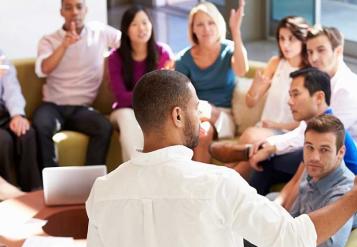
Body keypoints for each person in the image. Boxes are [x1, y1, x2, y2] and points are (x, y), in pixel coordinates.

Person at [86, 69, 357, 247]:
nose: (201, 115)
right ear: (178, 116)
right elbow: (295, 239)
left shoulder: (102, 191)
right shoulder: (219, 184)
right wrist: (353, 197)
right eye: (196, 108)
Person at [211, 15, 309, 179]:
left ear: (303, 40)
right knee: (248, 147)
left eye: (291, 39)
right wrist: (256, 86)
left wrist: (275, 124)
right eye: (281, 38)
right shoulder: (276, 63)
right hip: (263, 129)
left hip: (285, 133)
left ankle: (223, 182)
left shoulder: (309, 74)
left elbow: (305, 124)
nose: (285, 44)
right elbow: (250, 102)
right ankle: (225, 182)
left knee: (250, 140)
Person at [245, 115, 355, 247]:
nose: (314, 157)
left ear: (341, 152)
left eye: (324, 150)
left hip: (295, 246)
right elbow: (294, 214)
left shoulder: (344, 193)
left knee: (240, 236)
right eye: (309, 147)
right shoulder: (315, 169)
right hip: (290, 235)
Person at [32, 0, 121, 168]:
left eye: (79, 7)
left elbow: (128, 44)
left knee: (103, 127)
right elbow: (42, 69)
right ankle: (52, 184)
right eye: (68, 8)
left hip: (82, 109)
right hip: (53, 105)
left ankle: (90, 182)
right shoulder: (49, 40)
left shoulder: (99, 32)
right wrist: (64, 45)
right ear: (61, 12)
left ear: (85, 10)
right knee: (41, 124)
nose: (74, 12)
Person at [249, 67, 357, 195]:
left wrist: (271, 150)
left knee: (267, 161)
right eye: (290, 95)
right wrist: (270, 146)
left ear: (319, 97)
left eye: (296, 94)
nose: (289, 102)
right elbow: (296, 137)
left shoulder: (327, 130)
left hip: (342, 192)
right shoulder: (314, 124)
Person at [175, 0, 249, 163]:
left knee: (201, 130)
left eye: (211, 23)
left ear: (218, 25)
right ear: (192, 29)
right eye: (200, 24)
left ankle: (199, 187)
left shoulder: (228, 50)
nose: (206, 29)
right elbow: (180, 96)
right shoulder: (183, 60)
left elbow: (242, 70)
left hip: (223, 116)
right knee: (200, 131)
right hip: (195, 113)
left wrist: (236, 31)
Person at [108, 5, 174, 162]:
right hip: (124, 110)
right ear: (126, 29)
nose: (141, 28)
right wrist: (149, 94)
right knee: (127, 118)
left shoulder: (163, 52)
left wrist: (149, 96)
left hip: (154, 111)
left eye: (145, 22)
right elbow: (121, 97)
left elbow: (166, 92)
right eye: (134, 24)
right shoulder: (115, 57)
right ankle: (135, 173)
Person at [0, 49, 41, 193]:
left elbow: (12, 88)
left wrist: (17, 115)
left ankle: (34, 191)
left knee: (27, 133)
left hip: (5, 113)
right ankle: (10, 195)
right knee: (3, 140)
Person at [306, 25, 357, 140]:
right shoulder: (319, 82)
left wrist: (275, 146)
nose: (313, 58)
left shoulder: (347, 89)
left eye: (321, 50)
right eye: (310, 52)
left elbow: (322, 133)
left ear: (338, 51)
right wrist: (273, 144)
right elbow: (305, 128)